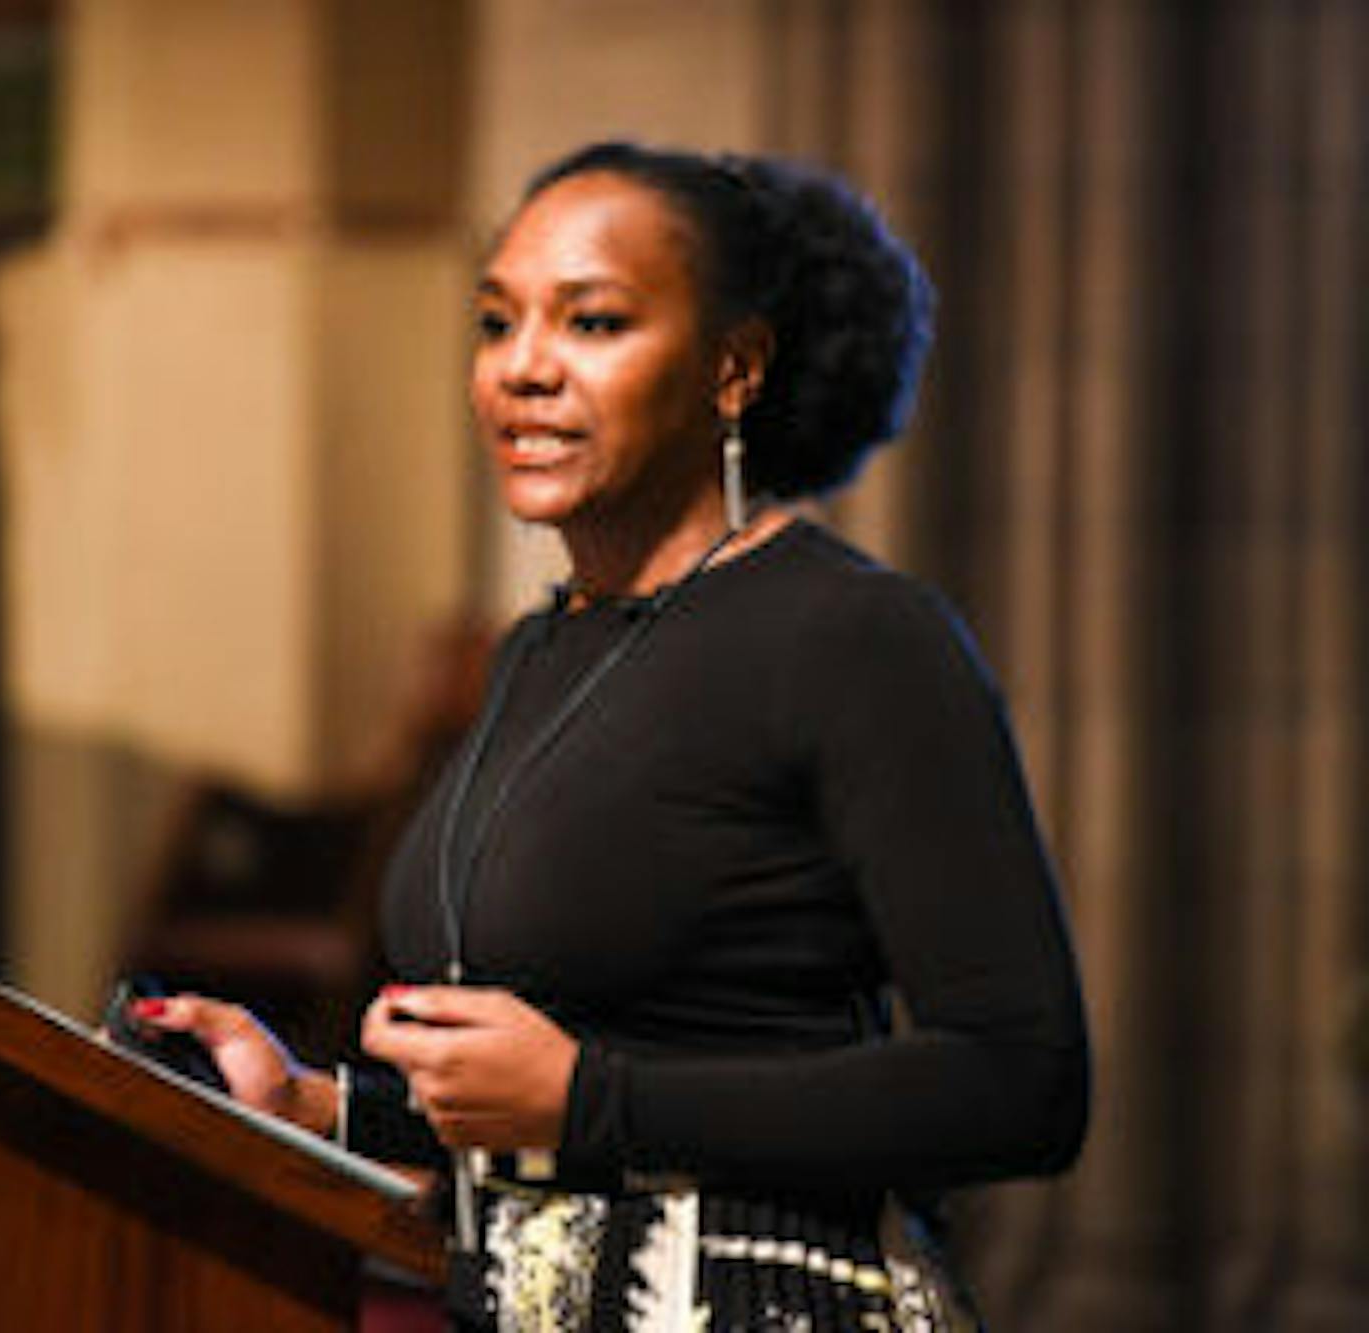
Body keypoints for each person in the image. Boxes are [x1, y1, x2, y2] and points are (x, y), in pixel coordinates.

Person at [134, 141, 1090, 1332]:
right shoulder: (537, 652)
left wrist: (593, 1099)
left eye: (590, 324)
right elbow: (564, 1085)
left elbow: (1020, 1081)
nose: (521, 369)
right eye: (494, 323)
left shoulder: (852, 637)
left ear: (732, 367)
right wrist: (324, 1106)